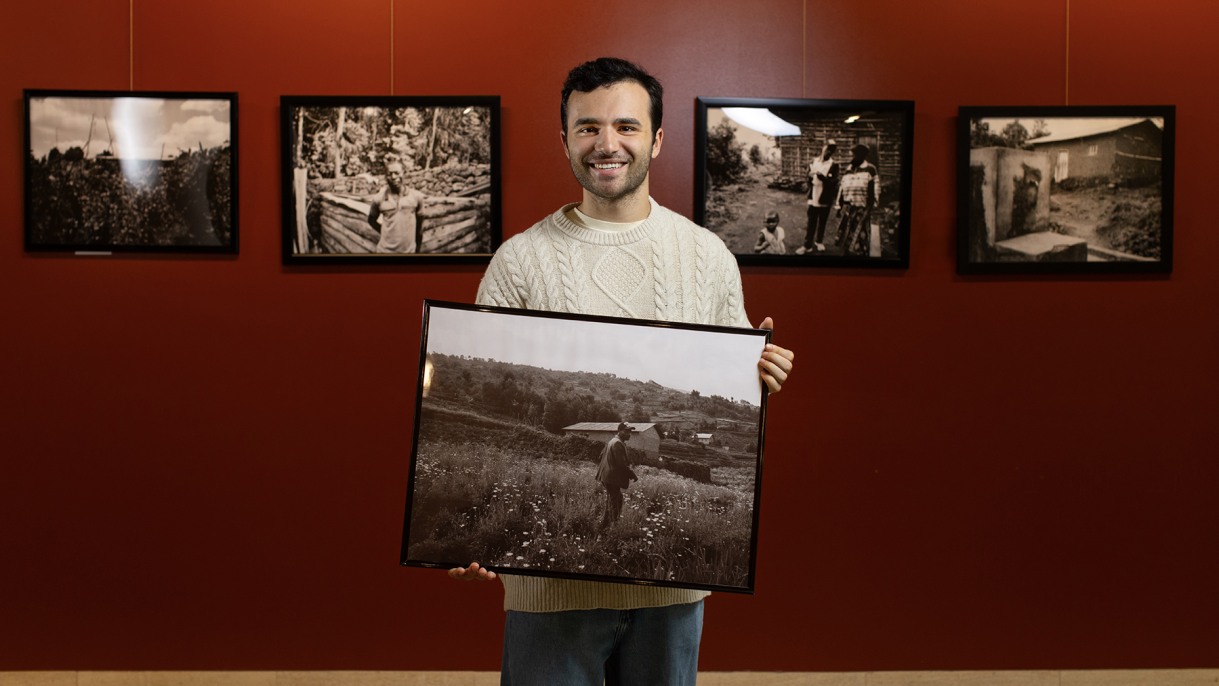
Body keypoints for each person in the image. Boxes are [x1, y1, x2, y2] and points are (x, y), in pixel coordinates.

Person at [448, 57, 795, 686]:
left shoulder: (708, 256)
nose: (607, 143)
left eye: (626, 126)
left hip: (670, 596)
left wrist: (763, 370)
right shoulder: (518, 262)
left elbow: (740, 379)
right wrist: (473, 536)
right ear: (564, 140)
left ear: (657, 140)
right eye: (588, 127)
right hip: (549, 597)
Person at [367, 159, 425, 253]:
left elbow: (419, 228)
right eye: (389, 174)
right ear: (385, 176)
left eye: (397, 173)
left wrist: (417, 250)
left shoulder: (416, 197)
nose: (393, 177)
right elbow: (371, 220)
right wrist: (386, 233)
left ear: (403, 173)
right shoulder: (378, 198)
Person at [835, 143, 879, 257]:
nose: (855, 156)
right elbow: (842, 187)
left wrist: (873, 203)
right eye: (854, 154)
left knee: (861, 232)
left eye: (857, 154)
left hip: (863, 206)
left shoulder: (870, 169)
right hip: (848, 205)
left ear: (863, 155)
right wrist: (839, 205)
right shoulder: (849, 169)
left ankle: (861, 253)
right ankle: (848, 253)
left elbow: (876, 187)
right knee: (847, 231)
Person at [797, 139, 839, 254]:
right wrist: (809, 176)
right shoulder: (814, 161)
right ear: (823, 147)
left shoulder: (834, 165)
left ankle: (819, 241)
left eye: (832, 150)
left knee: (822, 221)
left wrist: (823, 178)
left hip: (825, 196)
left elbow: (834, 183)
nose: (829, 152)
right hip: (814, 195)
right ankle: (807, 245)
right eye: (828, 148)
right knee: (811, 221)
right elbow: (808, 176)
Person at [594, 422, 639, 525]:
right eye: (626, 431)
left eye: (630, 432)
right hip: (611, 478)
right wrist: (632, 474)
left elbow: (601, 456)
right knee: (616, 501)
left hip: (607, 476)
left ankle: (605, 523)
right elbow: (621, 464)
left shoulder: (613, 441)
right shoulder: (617, 443)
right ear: (620, 431)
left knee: (613, 499)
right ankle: (612, 524)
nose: (629, 434)